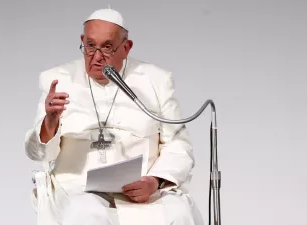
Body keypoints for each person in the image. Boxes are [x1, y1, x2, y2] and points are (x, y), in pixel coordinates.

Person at [25, 8, 204, 225]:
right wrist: (49, 122)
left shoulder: (156, 81)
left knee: (178, 213)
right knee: (85, 214)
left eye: (107, 47)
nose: (97, 57)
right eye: (90, 46)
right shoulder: (57, 80)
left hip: (145, 194)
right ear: (83, 41)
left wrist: (155, 181)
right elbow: (37, 153)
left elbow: (179, 146)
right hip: (78, 190)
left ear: (126, 48)